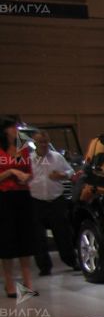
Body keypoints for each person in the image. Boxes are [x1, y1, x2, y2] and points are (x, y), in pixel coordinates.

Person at [0, 119, 38, 298]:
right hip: (4, 197)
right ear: (4, 130)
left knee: (25, 239)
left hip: (23, 196)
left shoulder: (23, 149)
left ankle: (27, 283)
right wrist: (11, 172)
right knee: (7, 240)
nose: (16, 130)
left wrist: (26, 177)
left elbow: (30, 172)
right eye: (13, 127)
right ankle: (9, 283)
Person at [28, 130, 75, 273]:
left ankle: (71, 261)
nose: (44, 145)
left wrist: (62, 175)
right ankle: (44, 267)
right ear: (35, 143)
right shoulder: (28, 160)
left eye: (46, 142)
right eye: (40, 142)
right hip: (36, 201)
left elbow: (71, 172)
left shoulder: (57, 157)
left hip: (56, 200)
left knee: (63, 233)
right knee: (38, 237)